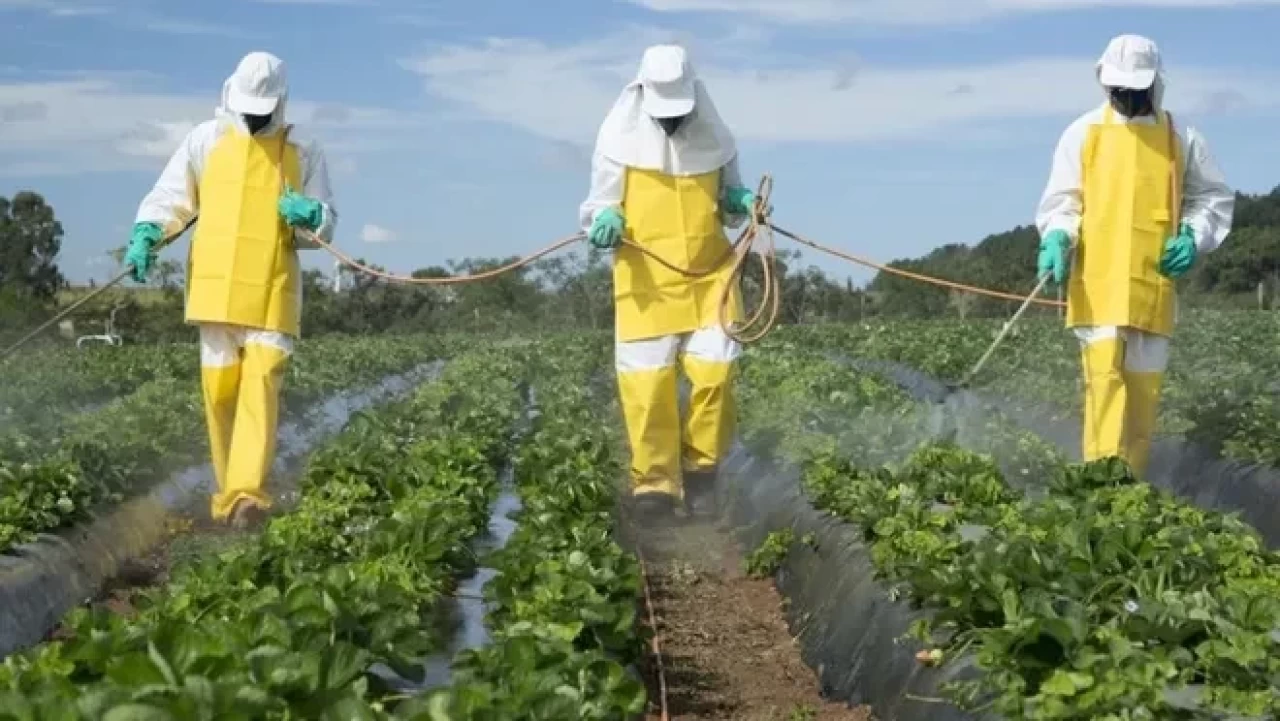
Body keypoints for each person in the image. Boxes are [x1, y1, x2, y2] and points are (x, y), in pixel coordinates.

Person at [128, 51, 337, 528]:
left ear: (280, 103)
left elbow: (325, 224)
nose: (253, 115)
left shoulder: (304, 151)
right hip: (215, 288)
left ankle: (248, 497)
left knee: (260, 385)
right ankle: (227, 499)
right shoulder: (206, 140)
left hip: (271, 286)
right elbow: (171, 198)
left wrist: (311, 215)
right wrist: (147, 234)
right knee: (220, 393)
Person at [1035, 34, 1233, 477]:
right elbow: (1063, 201)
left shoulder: (1180, 137)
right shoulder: (1083, 133)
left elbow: (1212, 198)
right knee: (1103, 386)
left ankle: (1131, 489)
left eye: (1134, 89)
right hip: (1097, 284)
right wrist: (1057, 238)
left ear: (1153, 85)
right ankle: (1099, 486)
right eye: (1118, 90)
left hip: (1153, 284)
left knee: (1143, 397)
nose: (1126, 97)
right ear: (1106, 85)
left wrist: (1192, 236)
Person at [579, 44, 759, 520]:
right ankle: (655, 485)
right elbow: (599, 204)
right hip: (645, 279)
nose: (671, 124)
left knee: (715, 374)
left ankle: (702, 470)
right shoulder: (617, 140)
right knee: (648, 385)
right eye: (663, 116)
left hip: (709, 274)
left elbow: (729, 201)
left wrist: (739, 200)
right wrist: (604, 221)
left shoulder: (717, 140)